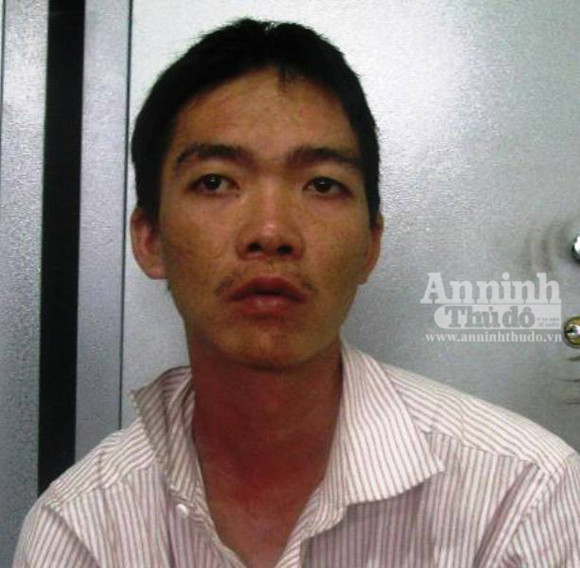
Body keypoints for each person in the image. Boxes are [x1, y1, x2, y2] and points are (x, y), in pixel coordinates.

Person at [14, 18, 580, 568]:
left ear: (370, 244)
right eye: (215, 181)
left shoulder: (523, 498)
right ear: (150, 239)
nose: (270, 231)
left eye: (322, 185)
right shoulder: (83, 529)